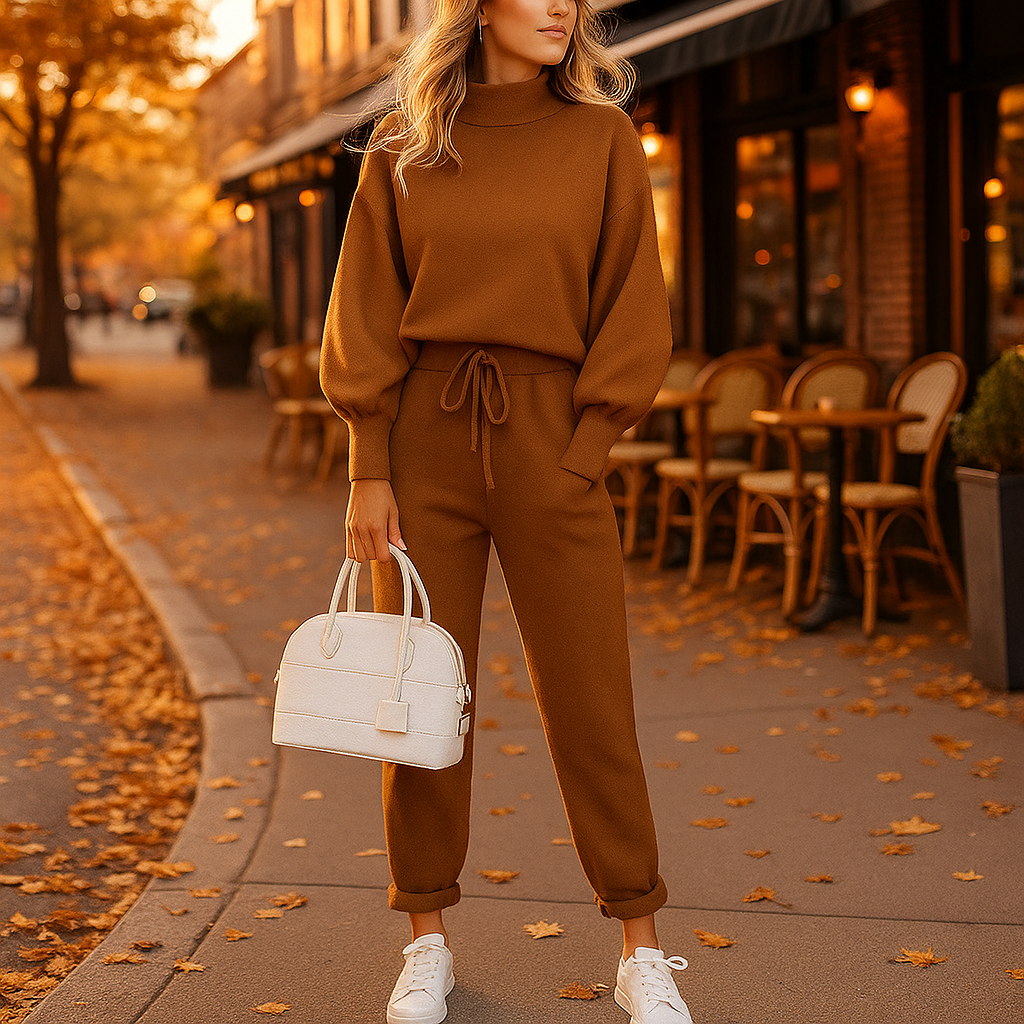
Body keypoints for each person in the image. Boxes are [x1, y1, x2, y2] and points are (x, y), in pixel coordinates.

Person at [319, 2, 694, 1022]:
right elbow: (361, 307)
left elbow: (633, 301)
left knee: (592, 699)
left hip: (553, 442)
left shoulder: (602, 137)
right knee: (422, 702)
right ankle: (426, 938)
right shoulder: (404, 144)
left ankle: (640, 945)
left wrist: (584, 452)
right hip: (421, 445)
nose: (564, 6)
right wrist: (367, 466)